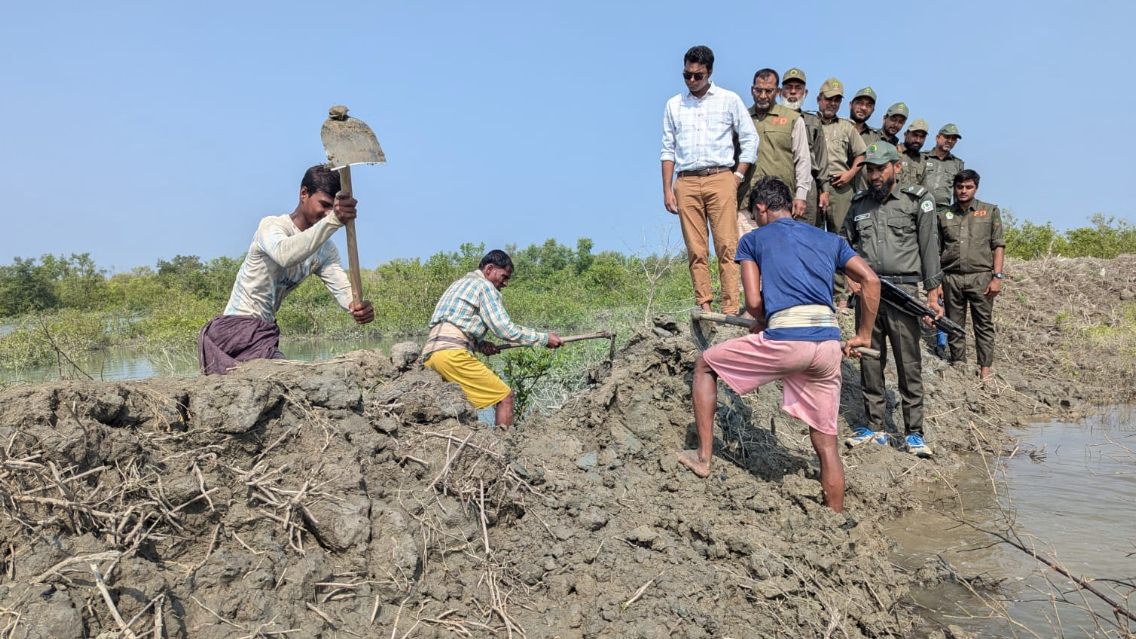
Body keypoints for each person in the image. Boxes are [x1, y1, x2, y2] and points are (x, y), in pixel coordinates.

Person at [677, 176, 880, 513]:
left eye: (755, 214)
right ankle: (834, 515)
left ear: (761, 208)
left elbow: (755, 303)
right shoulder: (829, 239)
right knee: (826, 441)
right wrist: (864, 335)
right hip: (828, 345)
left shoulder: (753, 239)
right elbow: (870, 280)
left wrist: (762, 320)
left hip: (788, 339)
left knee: (705, 365)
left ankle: (702, 458)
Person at [198, 165, 374, 375]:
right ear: (303, 194)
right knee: (289, 378)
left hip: (263, 334)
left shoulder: (325, 249)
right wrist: (333, 220)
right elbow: (285, 255)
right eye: (324, 205)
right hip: (233, 330)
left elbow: (343, 290)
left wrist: (357, 306)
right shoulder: (272, 226)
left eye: (332, 207)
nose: (327, 213)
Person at [841, 142, 943, 458]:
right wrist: (849, 276)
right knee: (870, 360)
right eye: (870, 169)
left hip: (904, 292)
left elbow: (929, 248)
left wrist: (933, 293)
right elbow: (843, 243)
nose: (874, 175)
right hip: (869, 294)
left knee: (908, 363)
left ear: (896, 167)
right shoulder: (858, 205)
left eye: (880, 168)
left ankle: (914, 433)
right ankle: (875, 428)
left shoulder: (917, 200)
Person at [662, 45, 758, 316]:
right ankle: (704, 304)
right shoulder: (673, 104)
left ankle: (729, 308)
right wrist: (667, 189)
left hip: (720, 177)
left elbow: (750, 138)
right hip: (686, 181)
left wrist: (737, 176)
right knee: (696, 248)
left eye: (698, 75)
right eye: (687, 75)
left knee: (727, 245)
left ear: (710, 72)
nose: (692, 80)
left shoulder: (728, 99)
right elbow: (667, 149)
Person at [422, 250, 563, 428]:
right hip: (451, 355)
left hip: (430, 357)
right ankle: (504, 449)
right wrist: (543, 339)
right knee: (505, 396)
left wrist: (480, 345)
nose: (505, 283)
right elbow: (505, 330)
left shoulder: (458, 284)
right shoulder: (484, 286)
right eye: (504, 276)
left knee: (455, 406)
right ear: (489, 269)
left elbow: (451, 324)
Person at [938, 170, 1004, 380]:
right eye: (960, 187)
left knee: (983, 324)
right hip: (951, 277)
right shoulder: (943, 215)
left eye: (968, 187)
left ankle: (985, 371)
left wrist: (997, 277)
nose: (963, 191)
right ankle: (960, 368)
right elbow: (937, 250)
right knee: (954, 324)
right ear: (954, 188)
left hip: (981, 277)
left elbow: (998, 245)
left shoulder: (989, 211)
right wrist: (937, 281)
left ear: (976, 188)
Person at [736, 68, 812, 237]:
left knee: (779, 258)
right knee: (746, 258)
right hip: (746, 204)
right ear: (752, 90)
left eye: (768, 91)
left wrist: (800, 196)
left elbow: (803, 160)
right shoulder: (741, 118)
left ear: (777, 92)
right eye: (758, 90)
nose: (763, 95)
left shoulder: (793, 119)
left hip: (781, 205)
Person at [816, 78, 868, 310]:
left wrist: (850, 174)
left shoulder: (846, 126)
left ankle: (842, 295)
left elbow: (861, 155)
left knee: (840, 240)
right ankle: (817, 292)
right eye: (828, 98)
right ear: (819, 99)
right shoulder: (807, 122)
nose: (832, 103)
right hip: (814, 185)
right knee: (814, 240)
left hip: (840, 186)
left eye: (837, 99)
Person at [780, 67, 830, 228]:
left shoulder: (813, 121)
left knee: (806, 234)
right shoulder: (772, 119)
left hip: (808, 186)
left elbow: (822, 158)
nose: (793, 92)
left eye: (798, 88)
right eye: (788, 88)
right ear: (781, 91)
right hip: (778, 183)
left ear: (805, 93)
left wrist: (825, 190)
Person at [922, 123, 965, 206]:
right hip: (920, 206)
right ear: (937, 138)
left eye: (953, 139)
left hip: (943, 210)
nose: (950, 141)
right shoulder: (922, 158)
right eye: (947, 137)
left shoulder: (957, 164)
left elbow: (959, 191)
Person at [898, 118, 929, 186]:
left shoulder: (923, 161)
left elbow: (922, 190)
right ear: (905, 135)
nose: (918, 140)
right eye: (915, 135)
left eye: (922, 137)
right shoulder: (893, 153)